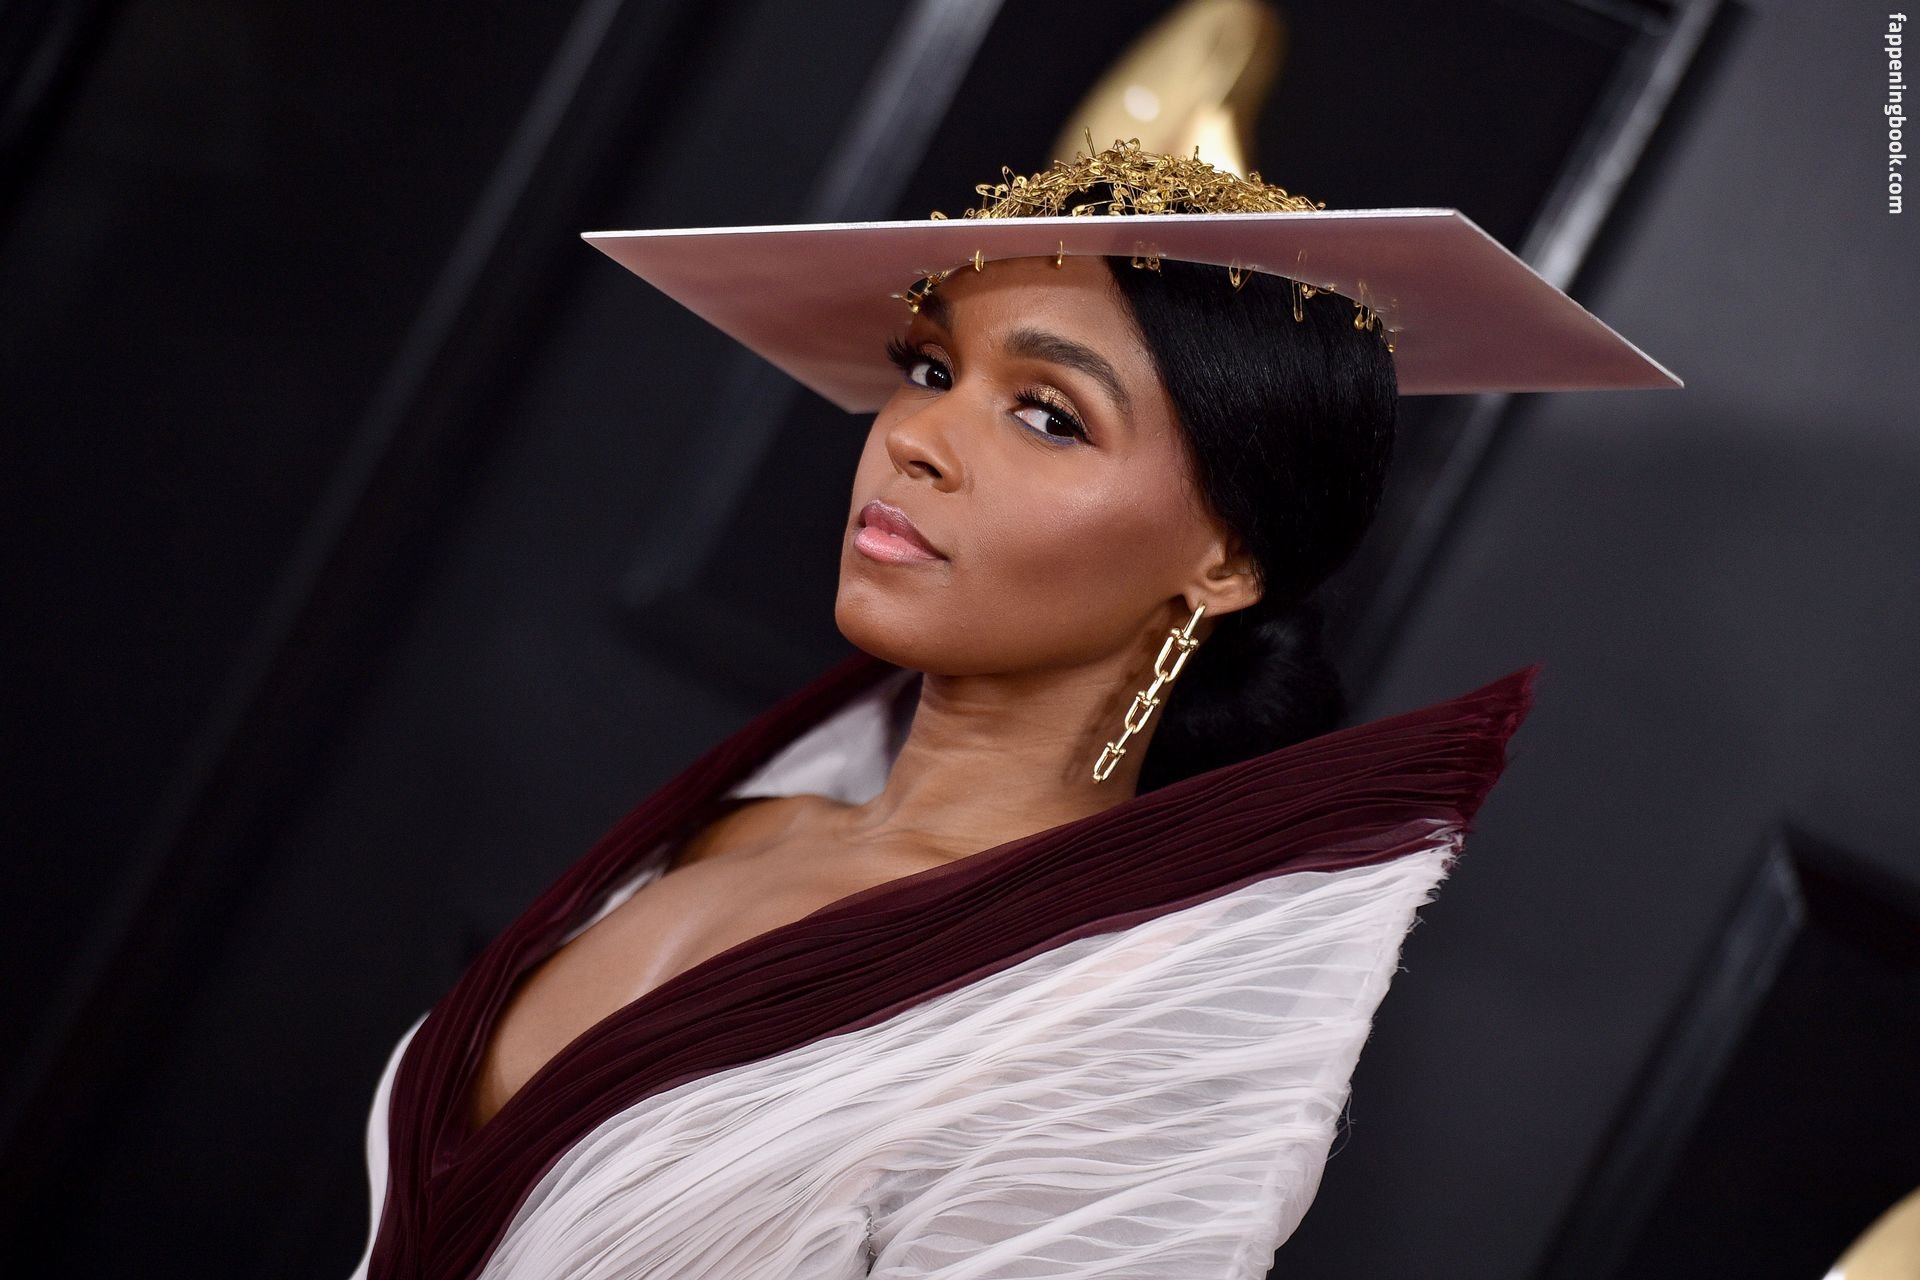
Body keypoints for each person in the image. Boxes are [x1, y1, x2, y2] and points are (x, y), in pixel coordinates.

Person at [350, 140, 1675, 1279]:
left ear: (1224, 560)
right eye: (931, 369)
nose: (914, 438)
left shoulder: (1121, 1032)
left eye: (1047, 415)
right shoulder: (741, 823)